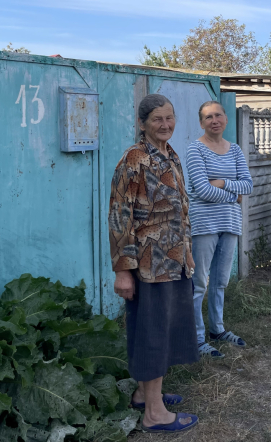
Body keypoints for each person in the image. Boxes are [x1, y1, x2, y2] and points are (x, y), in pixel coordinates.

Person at [109, 94, 199, 434]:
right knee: (153, 332)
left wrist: (187, 249)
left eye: (169, 118)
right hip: (148, 262)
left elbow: (180, 209)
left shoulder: (170, 154)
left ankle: (144, 395)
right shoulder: (133, 160)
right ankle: (154, 414)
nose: (165, 125)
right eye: (158, 120)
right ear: (143, 123)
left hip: (173, 260)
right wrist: (122, 270)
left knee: (162, 329)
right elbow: (119, 216)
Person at [186, 101, 253, 358]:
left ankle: (218, 329)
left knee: (220, 282)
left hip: (230, 223)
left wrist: (223, 182)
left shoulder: (234, 150)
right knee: (199, 283)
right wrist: (231, 195)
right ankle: (197, 338)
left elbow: (247, 185)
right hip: (204, 224)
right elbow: (201, 189)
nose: (214, 120)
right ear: (202, 123)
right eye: (208, 117)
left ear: (225, 118)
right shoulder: (195, 149)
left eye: (218, 115)